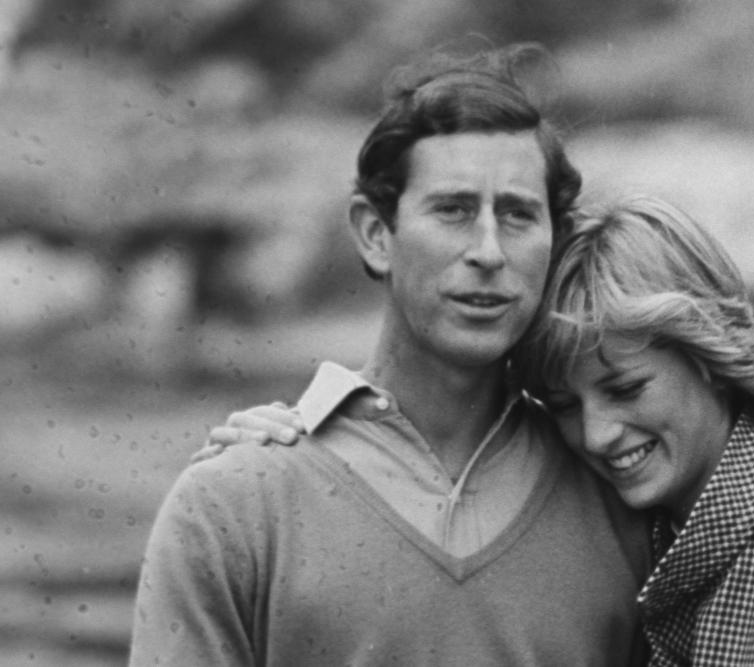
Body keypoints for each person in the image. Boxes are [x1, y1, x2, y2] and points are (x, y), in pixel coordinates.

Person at [219, 195, 754, 665]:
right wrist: (293, 451)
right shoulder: (596, 518)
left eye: (626, 387)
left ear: (712, 359)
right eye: (562, 402)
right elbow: (430, 474)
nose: (596, 433)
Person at [128, 45, 650, 667]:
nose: (488, 250)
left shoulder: (625, 493)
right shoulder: (232, 504)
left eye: (517, 215)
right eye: (453, 210)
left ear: (555, 241)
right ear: (376, 234)